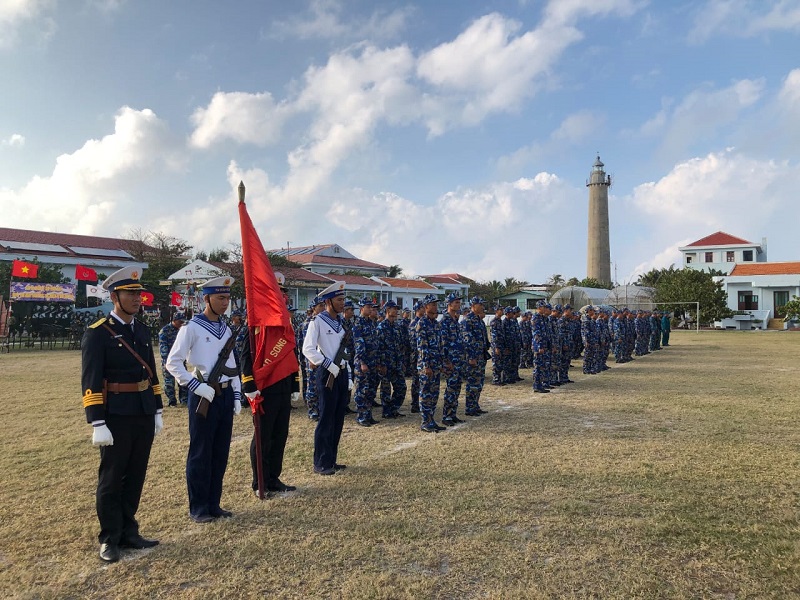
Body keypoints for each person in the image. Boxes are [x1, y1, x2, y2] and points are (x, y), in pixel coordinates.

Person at [80, 266, 164, 563]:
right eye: (130, 294)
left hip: (141, 410)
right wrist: (97, 420)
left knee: (136, 474)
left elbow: (151, 371)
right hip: (115, 413)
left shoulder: (140, 329)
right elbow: (90, 378)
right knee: (112, 477)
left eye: (139, 293)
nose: (137, 298)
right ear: (115, 296)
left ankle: (129, 530)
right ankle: (109, 537)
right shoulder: (98, 333)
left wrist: (156, 407)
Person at [166, 277, 242, 523]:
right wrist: (195, 385)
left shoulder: (227, 328)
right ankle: (199, 507)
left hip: (224, 393)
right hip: (203, 395)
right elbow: (173, 363)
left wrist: (237, 393)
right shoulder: (192, 328)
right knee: (201, 452)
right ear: (206, 299)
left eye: (227, 298)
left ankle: (214, 503)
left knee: (220, 451)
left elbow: (233, 365)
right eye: (220, 298)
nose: (225, 303)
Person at [240, 327, 300, 496]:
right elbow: (245, 356)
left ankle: (273, 478)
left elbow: (291, 354)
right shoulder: (255, 328)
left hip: (284, 387)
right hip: (265, 389)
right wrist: (249, 385)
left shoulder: (285, 329)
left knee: (280, 435)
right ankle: (260, 481)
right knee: (263, 437)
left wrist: (295, 384)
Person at [302, 281, 352, 475]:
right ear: (328, 301)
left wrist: (348, 373)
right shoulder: (318, 322)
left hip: (340, 371)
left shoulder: (340, 322)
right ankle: (321, 461)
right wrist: (325, 363)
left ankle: (331, 459)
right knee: (326, 418)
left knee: (338, 417)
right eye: (339, 300)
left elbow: (345, 351)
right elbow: (308, 349)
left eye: (343, 299)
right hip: (327, 373)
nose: (343, 303)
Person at [416, 294, 446, 433]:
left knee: (434, 394)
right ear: (426, 306)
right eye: (432, 304)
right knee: (426, 393)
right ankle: (425, 422)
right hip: (426, 365)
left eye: (436, 304)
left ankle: (431, 420)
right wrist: (426, 365)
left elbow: (440, 345)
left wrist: (443, 362)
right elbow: (422, 346)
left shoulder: (436, 324)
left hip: (436, 364)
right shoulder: (422, 323)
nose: (435, 306)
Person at [352, 297, 381, 426]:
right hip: (363, 363)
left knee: (370, 390)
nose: (371, 309)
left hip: (373, 361)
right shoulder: (358, 323)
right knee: (362, 391)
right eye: (368, 307)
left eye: (371, 307)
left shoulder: (371, 323)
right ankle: (361, 417)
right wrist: (362, 362)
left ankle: (368, 415)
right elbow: (359, 345)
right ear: (361, 308)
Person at [461, 296, 490, 416]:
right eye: (480, 304)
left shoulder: (480, 320)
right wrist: (471, 357)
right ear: (473, 306)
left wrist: (487, 345)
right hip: (473, 357)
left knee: (479, 382)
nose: (482, 306)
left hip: (481, 356)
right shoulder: (468, 320)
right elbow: (467, 340)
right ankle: (469, 407)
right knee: (472, 382)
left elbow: (483, 337)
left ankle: (475, 404)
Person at [439, 293, 465, 425]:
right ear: (449, 304)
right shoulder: (445, 321)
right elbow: (443, 343)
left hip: (458, 360)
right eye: (455, 303)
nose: (458, 305)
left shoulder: (455, 321)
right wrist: (446, 362)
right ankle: (447, 416)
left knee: (457, 388)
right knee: (450, 388)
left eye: (459, 303)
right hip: (450, 362)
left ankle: (453, 413)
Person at [158, 312, 187, 407]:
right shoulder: (165, 331)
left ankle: (184, 400)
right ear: (174, 321)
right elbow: (163, 348)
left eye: (183, 322)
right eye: (180, 322)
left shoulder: (182, 331)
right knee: (169, 383)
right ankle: (172, 401)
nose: (182, 324)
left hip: (181, 360)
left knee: (183, 381)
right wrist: (167, 362)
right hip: (169, 361)